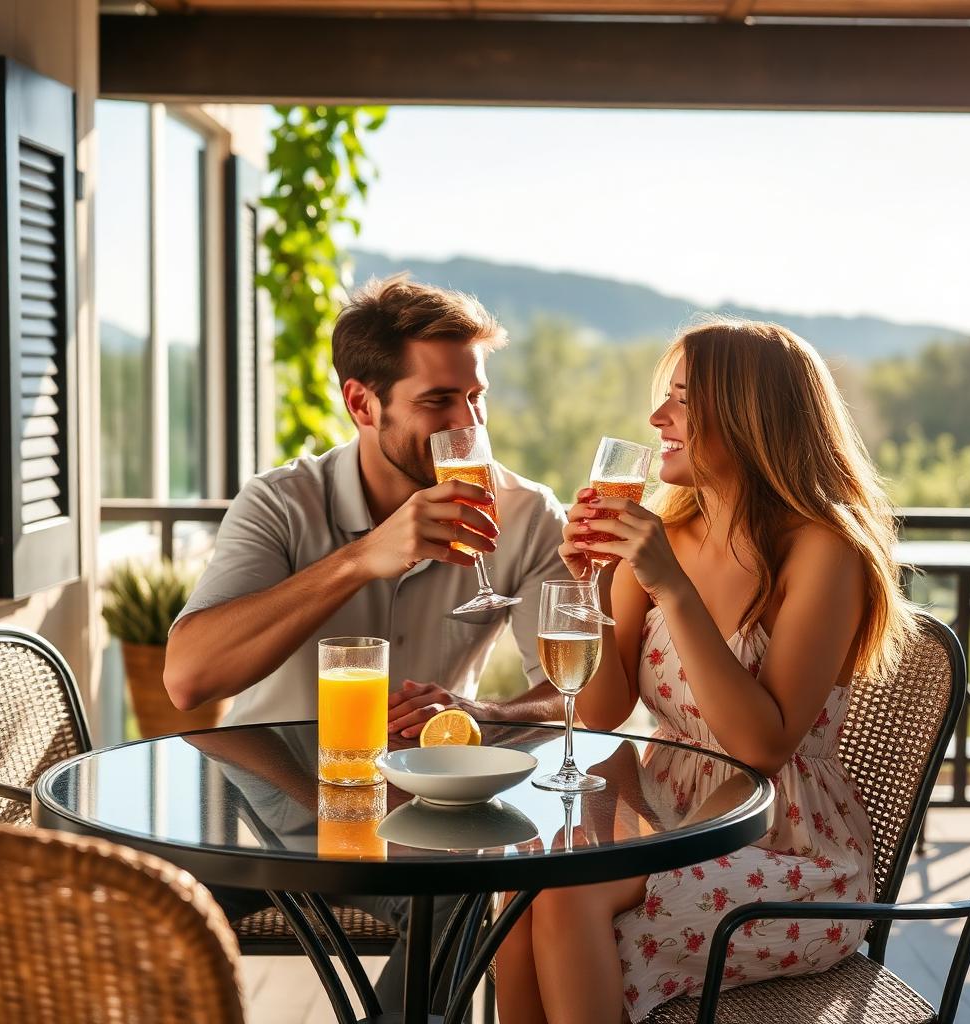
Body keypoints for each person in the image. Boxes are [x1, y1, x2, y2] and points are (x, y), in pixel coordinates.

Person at [495, 317, 918, 1024]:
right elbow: (599, 710)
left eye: (684, 400)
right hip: (668, 813)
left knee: (569, 896)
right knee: (527, 877)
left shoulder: (822, 550)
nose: (658, 416)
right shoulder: (665, 530)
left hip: (784, 844)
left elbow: (763, 746)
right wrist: (592, 583)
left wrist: (673, 590)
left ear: (750, 415)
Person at [163, 274, 567, 1010]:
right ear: (361, 403)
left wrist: (486, 712)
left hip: (415, 810)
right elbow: (188, 679)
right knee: (139, 902)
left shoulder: (527, 513)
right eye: (438, 402)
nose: (468, 426)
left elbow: (571, 693)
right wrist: (362, 557)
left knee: (461, 903)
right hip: (255, 799)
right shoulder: (282, 502)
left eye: (476, 397)